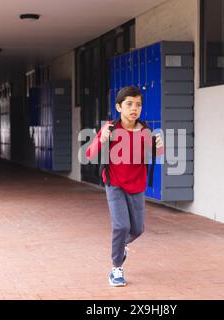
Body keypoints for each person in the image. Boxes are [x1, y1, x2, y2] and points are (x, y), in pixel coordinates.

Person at [86, 86, 164, 287]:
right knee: (122, 226)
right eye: (129, 104)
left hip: (137, 185)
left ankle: (122, 245)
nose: (134, 108)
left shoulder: (146, 131)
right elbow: (90, 154)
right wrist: (101, 140)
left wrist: (159, 146)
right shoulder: (110, 129)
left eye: (138, 104)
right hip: (114, 184)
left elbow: (158, 155)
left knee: (137, 229)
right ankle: (116, 268)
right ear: (119, 107)